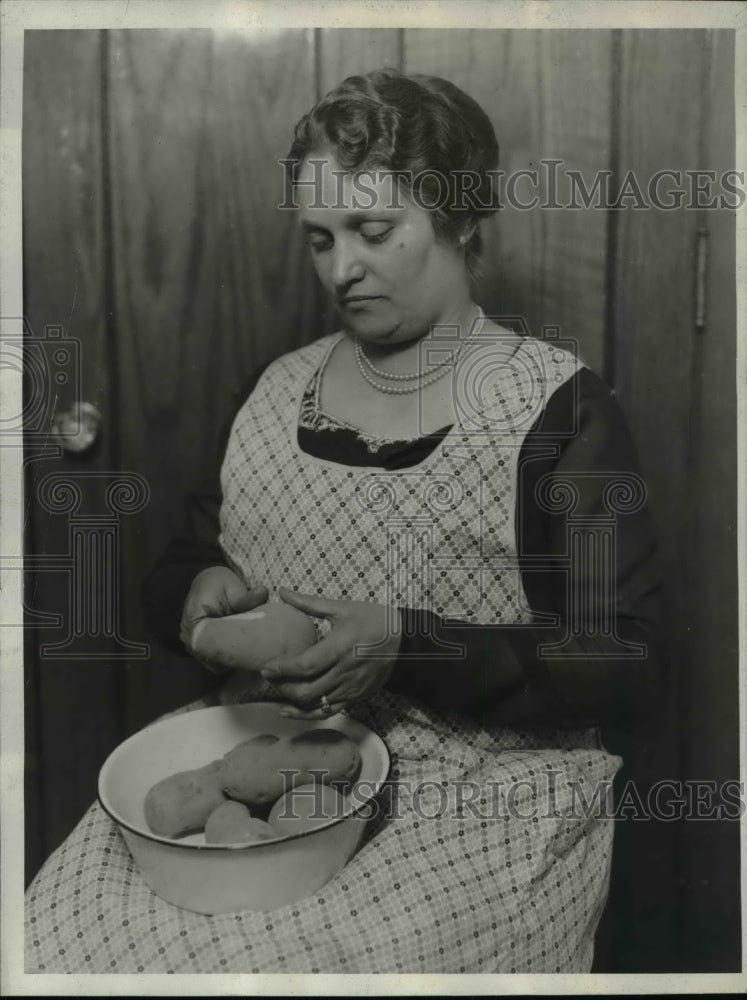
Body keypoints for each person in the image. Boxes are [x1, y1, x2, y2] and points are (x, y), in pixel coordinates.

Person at [25, 69, 666, 975]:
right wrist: (194, 598)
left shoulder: (558, 410)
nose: (340, 269)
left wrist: (405, 646)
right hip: (266, 752)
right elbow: (186, 562)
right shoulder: (278, 389)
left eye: (373, 231)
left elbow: (626, 661)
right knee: (54, 938)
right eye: (319, 238)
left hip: (482, 794)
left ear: (461, 217)